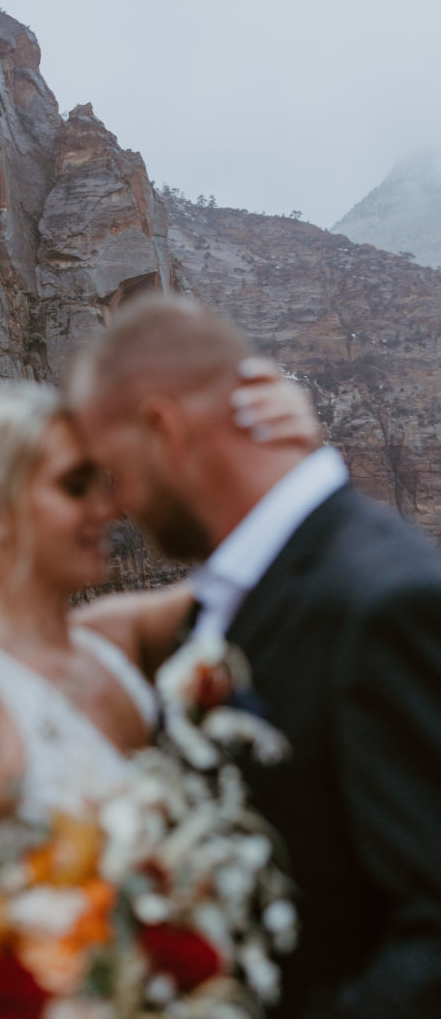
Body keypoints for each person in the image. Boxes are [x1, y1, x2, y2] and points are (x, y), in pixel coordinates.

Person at [67, 292, 441, 1019]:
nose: (114, 507)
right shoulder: (226, 602)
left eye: (112, 472)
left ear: (163, 427)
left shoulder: (385, 603)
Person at [0, 369, 317, 932]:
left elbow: (266, 572)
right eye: (75, 487)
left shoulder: (117, 639)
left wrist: (285, 456)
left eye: (103, 481)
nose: (109, 507)